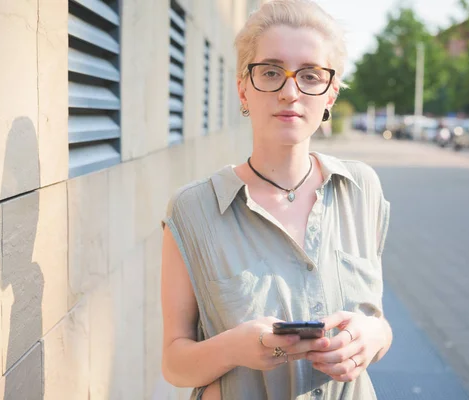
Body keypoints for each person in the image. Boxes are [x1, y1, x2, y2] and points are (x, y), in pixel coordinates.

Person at [160, 1, 392, 399]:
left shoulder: (361, 189)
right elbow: (174, 363)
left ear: (330, 94)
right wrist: (235, 347)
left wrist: (373, 336)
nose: (290, 92)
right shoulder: (193, 209)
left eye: (310, 75)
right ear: (243, 89)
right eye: (270, 72)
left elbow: (378, 321)